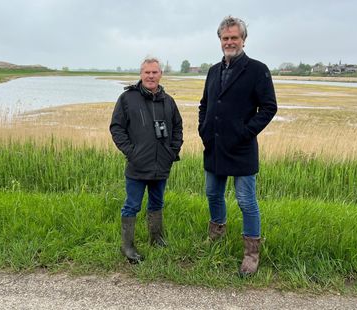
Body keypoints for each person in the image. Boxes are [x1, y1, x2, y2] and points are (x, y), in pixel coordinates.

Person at [198, 16, 277, 276]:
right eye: (225, 38)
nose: (229, 42)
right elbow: (205, 105)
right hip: (215, 145)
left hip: (242, 147)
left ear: (243, 39)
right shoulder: (213, 71)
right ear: (220, 40)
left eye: (234, 37)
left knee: (246, 200)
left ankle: (251, 253)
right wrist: (204, 130)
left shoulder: (257, 70)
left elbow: (269, 108)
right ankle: (216, 236)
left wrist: (246, 132)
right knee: (212, 193)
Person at [110, 57, 183, 264]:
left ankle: (156, 239)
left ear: (161, 74)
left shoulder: (168, 101)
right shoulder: (127, 99)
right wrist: (131, 152)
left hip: (162, 164)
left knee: (157, 202)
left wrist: (172, 151)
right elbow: (117, 128)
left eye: (155, 72)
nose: (151, 76)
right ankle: (128, 247)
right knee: (132, 205)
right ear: (141, 74)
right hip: (137, 165)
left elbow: (178, 127)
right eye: (147, 72)